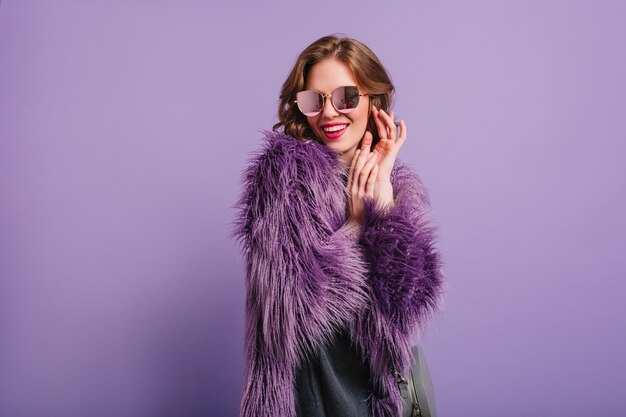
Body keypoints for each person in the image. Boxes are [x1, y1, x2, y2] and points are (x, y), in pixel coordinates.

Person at [232, 34, 446, 417]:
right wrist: (355, 226)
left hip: (374, 396)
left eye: (346, 97)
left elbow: (407, 310)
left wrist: (384, 209)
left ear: (372, 101)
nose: (329, 114)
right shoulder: (285, 177)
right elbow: (285, 314)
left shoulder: (395, 183)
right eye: (314, 100)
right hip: (314, 395)